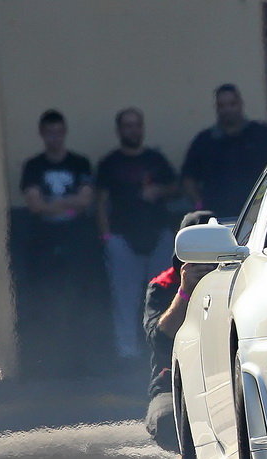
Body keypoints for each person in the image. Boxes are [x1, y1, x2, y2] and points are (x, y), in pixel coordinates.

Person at [96, 107, 179, 361]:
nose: (133, 130)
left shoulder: (156, 159)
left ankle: (165, 347)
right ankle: (127, 354)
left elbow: (176, 187)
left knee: (165, 296)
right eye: (128, 126)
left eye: (137, 125)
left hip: (158, 237)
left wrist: (159, 191)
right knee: (125, 300)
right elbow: (100, 202)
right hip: (122, 239)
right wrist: (107, 238)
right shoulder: (110, 163)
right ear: (119, 130)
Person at [19, 109, 98, 376]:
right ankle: (48, 363)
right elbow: (35, 205)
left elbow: (85, 200)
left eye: (58, 132)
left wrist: (51, 203)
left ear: (64, 132)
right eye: (49, 132)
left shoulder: (79, 163)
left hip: (76, 243)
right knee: (46, 302)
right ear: (42, 134)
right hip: (43, 245)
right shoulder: (33, 166)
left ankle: (79, 363)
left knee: (78, 301)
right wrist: (68, 203)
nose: (55, 137)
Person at [143, 211, 217, 453]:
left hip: (220, 376)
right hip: (174, 383)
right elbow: (158, 339)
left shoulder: (234, 277)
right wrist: (185, 292)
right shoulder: (163, 285)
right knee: (167, 419)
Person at [181, 83, 267, 218]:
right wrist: (200, 206)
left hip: (261, 216)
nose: (227, 110)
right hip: (218, 219)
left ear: (241, 104)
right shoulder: (204, 141)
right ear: (216, 108)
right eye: (222, 105)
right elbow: (188, 178)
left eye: (232, 104)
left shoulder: (264, 135)